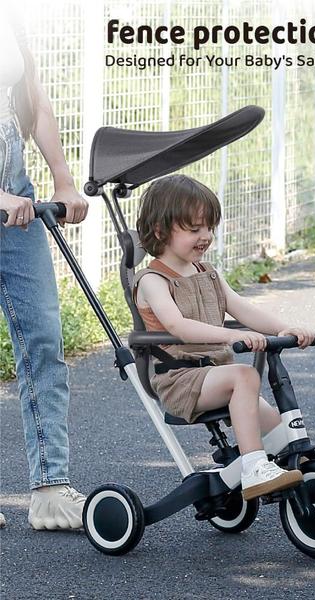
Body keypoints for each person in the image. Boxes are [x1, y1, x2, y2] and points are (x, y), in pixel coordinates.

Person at [133, 174, 315, 510]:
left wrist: (286, 329)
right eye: (194, 229)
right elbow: (179, 326)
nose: (205, 236)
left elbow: (244, 310)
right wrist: (234, 335)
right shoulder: (153, 281)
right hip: (180, 379)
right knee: (246, 376)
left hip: (216, 373)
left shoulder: (209, 273)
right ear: (161, 231)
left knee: (282, 434)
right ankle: (253, 468)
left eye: (209, 227)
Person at [0, 4, 88, 529]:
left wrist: (62, 179)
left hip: (20, 207)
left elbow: (33, 99)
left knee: (44, 340)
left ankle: (50, 490)